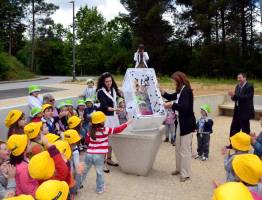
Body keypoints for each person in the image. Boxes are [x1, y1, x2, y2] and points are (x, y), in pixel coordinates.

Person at [82, 111, 132, 194]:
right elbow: (118, 129)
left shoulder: (89, 131)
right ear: (101, 122)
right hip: (99, 156)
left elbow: (87, 141)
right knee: (99, 172)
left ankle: (77, 185)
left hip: (89, 154)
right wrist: (127, 123)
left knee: (84, 171)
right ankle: (99, 189)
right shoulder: (105, 130)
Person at [161, 71, 196, 182]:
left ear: (179, 80)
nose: (173, 84)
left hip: (186, 124)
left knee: (185, 150)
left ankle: (185, 174)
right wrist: (163, 92)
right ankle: (179, 168)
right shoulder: (181, 90)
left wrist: (171, 105)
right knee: (178, 147)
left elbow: (184, 107)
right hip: (180, 123)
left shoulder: (187, 91)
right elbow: (172, 96)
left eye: (174, 82)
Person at [96, 72, 122, 168]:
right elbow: (105, 106)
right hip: (105, 118)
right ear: (103, 82)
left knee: (112, 139)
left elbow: (121, 97)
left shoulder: (114, 89)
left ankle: (109, 159)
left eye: (110, 81)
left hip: (114, 118)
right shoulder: (100, 92)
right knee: (104, 139)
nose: (109, 83)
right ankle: (102, 161)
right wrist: (116, 109)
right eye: (106, 81)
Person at [228, 73, 254, 148]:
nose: (238, 79)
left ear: (245, 78)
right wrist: (232, 96)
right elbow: (235, 98)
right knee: (233, 129)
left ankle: (245, 146)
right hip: (237, 112)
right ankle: (232, 144)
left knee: (245, 131)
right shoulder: (237, 86)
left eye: (240, 78)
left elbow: (246, 97)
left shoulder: (250, 86)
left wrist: (235, 95)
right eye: (237, 78)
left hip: (245, 113)